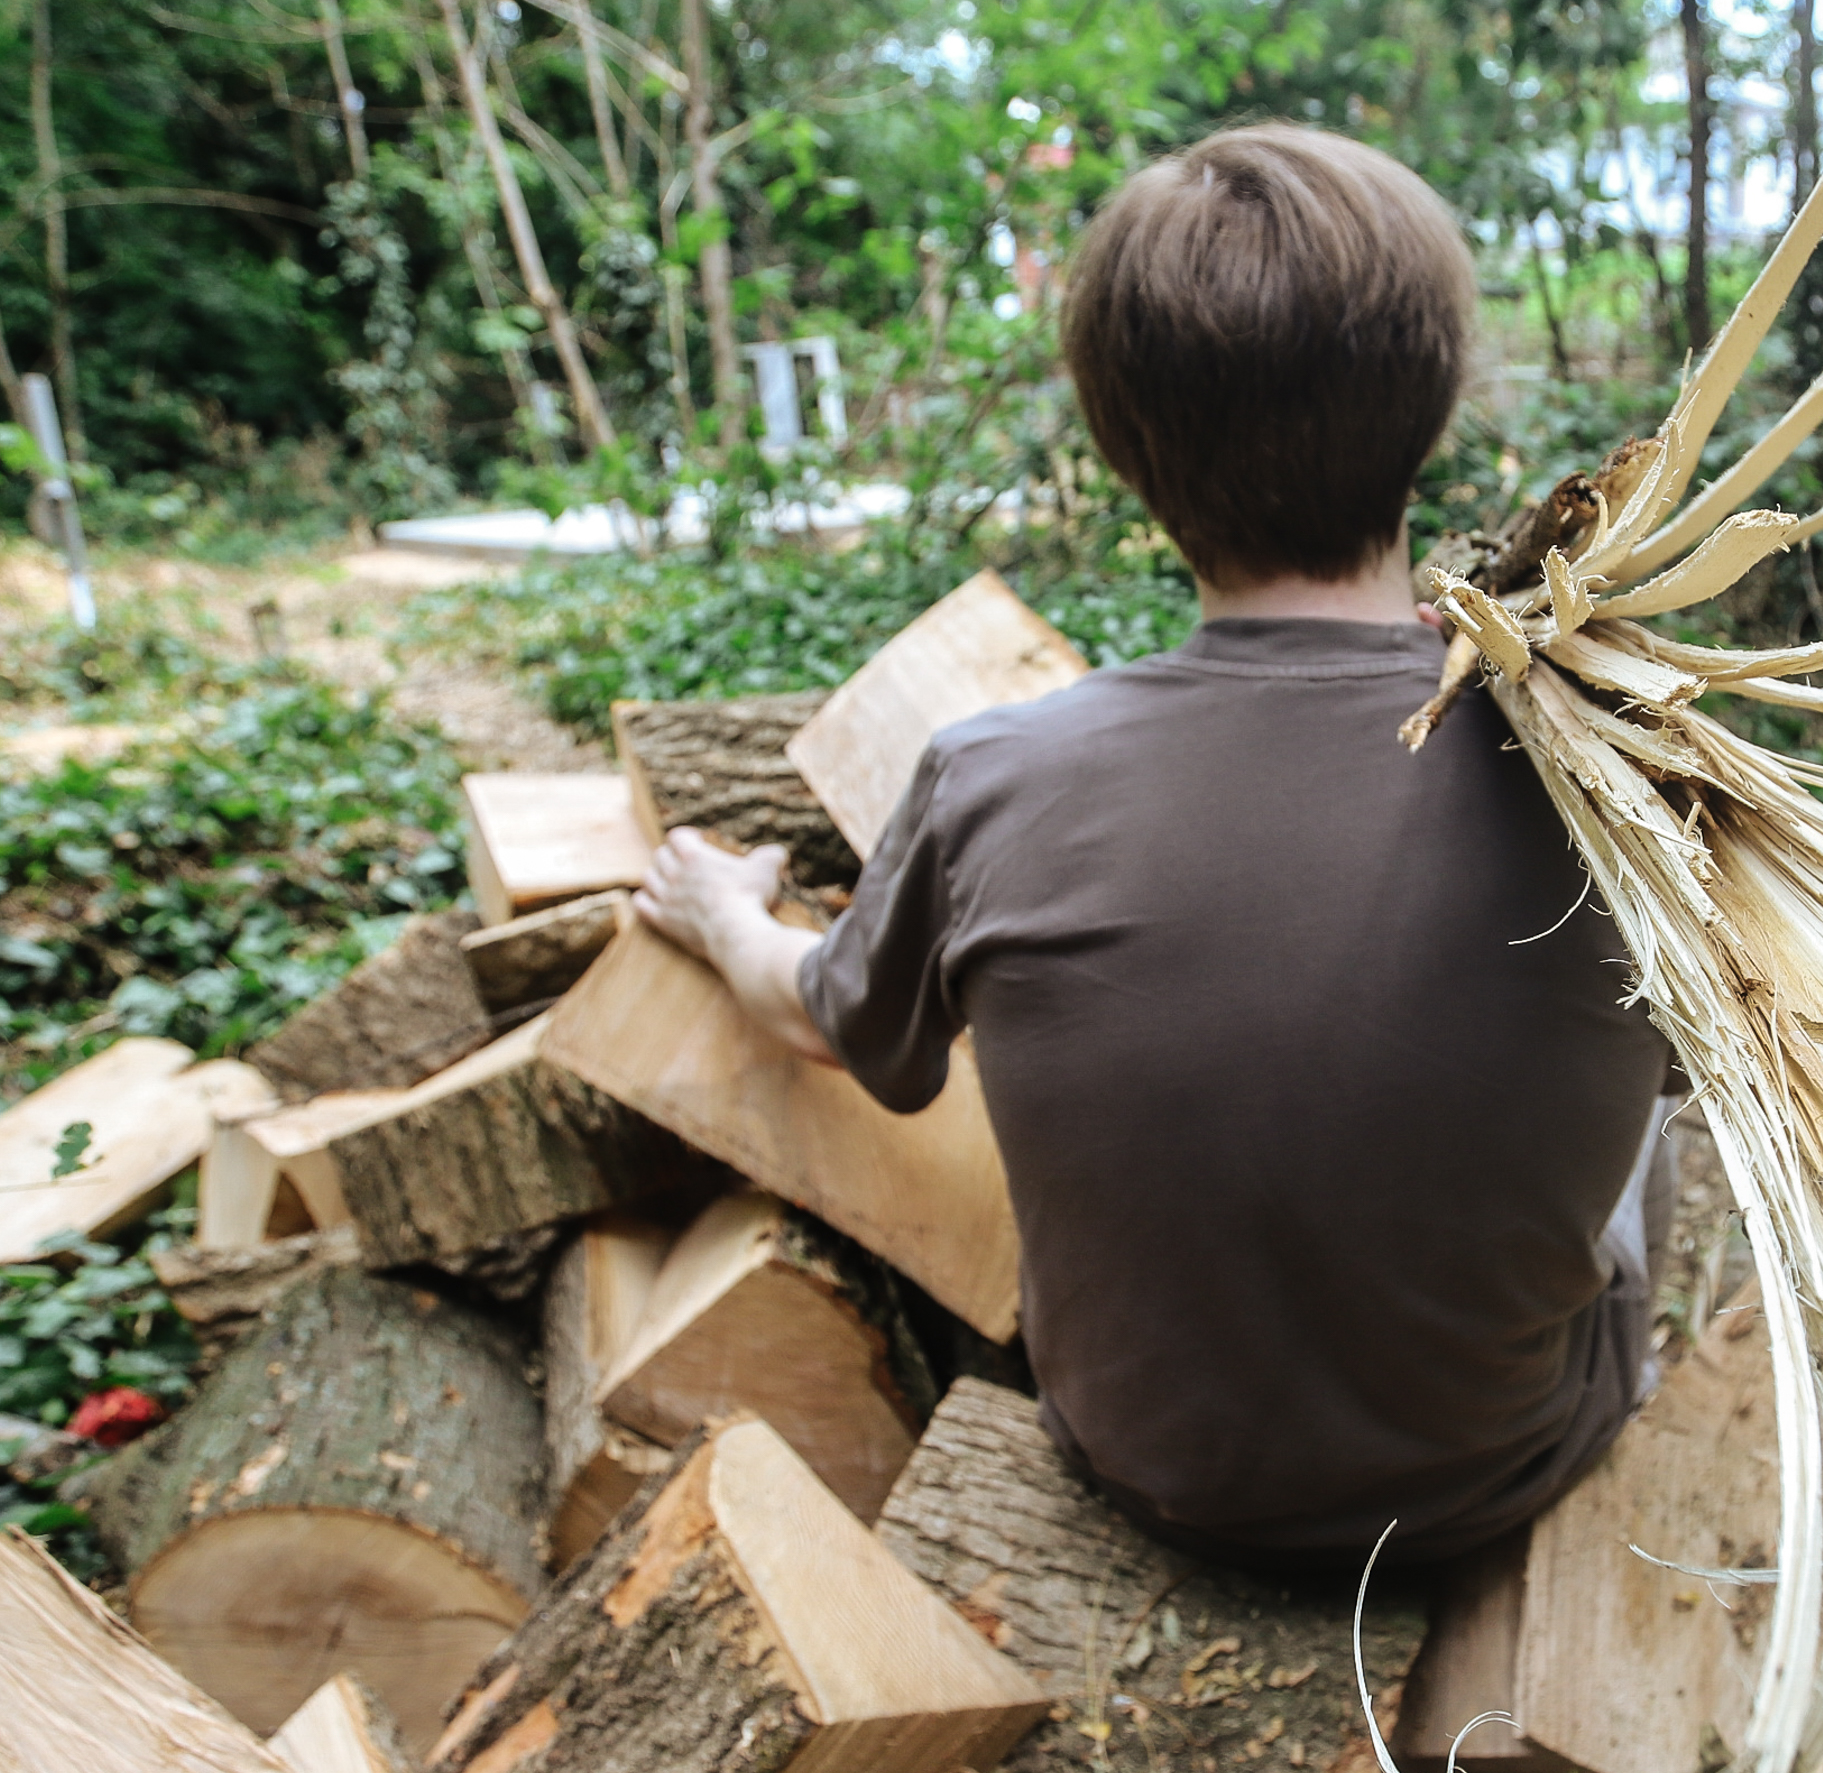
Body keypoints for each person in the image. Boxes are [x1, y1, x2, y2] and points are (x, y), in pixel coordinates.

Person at [633, 123, 1671, 1572]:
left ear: (1122, 444)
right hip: (1498, 1467)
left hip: (1151, 1463)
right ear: (1432, 413)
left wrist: (727, 914)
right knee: (1651, 1086)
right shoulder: (1612, 777)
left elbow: (826, 1022)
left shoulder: (993, 774)